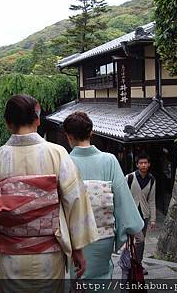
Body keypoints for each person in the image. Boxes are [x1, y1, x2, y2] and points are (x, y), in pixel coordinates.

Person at [0, 94, 99, 291]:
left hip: (10, 258)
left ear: (8, 124)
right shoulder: (57, 153)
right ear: (37, 120)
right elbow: (75, 200)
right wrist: (78, 249)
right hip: (49, 257)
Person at [62, 111, 144, 279]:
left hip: (73, 239)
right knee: (101, 278)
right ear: (91, 133)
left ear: (68, 136)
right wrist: (131, 226)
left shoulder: (63, 163)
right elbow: (122, 200)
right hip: (102, 238)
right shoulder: (109, 160)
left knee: (76, 279)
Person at [126, 152, 156, 273]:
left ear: (149, 164)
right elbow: (121, 195)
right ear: (137, 165)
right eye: (141, 163)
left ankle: (137, 263)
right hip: (131, 215)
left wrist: (153, 219)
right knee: (140, 240)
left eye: (145, 163)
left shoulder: (152, 180)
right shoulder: (130, 177)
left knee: (139, 241)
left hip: (144, 215)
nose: (143, 165)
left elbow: (152, 199)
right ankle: (134, 263)